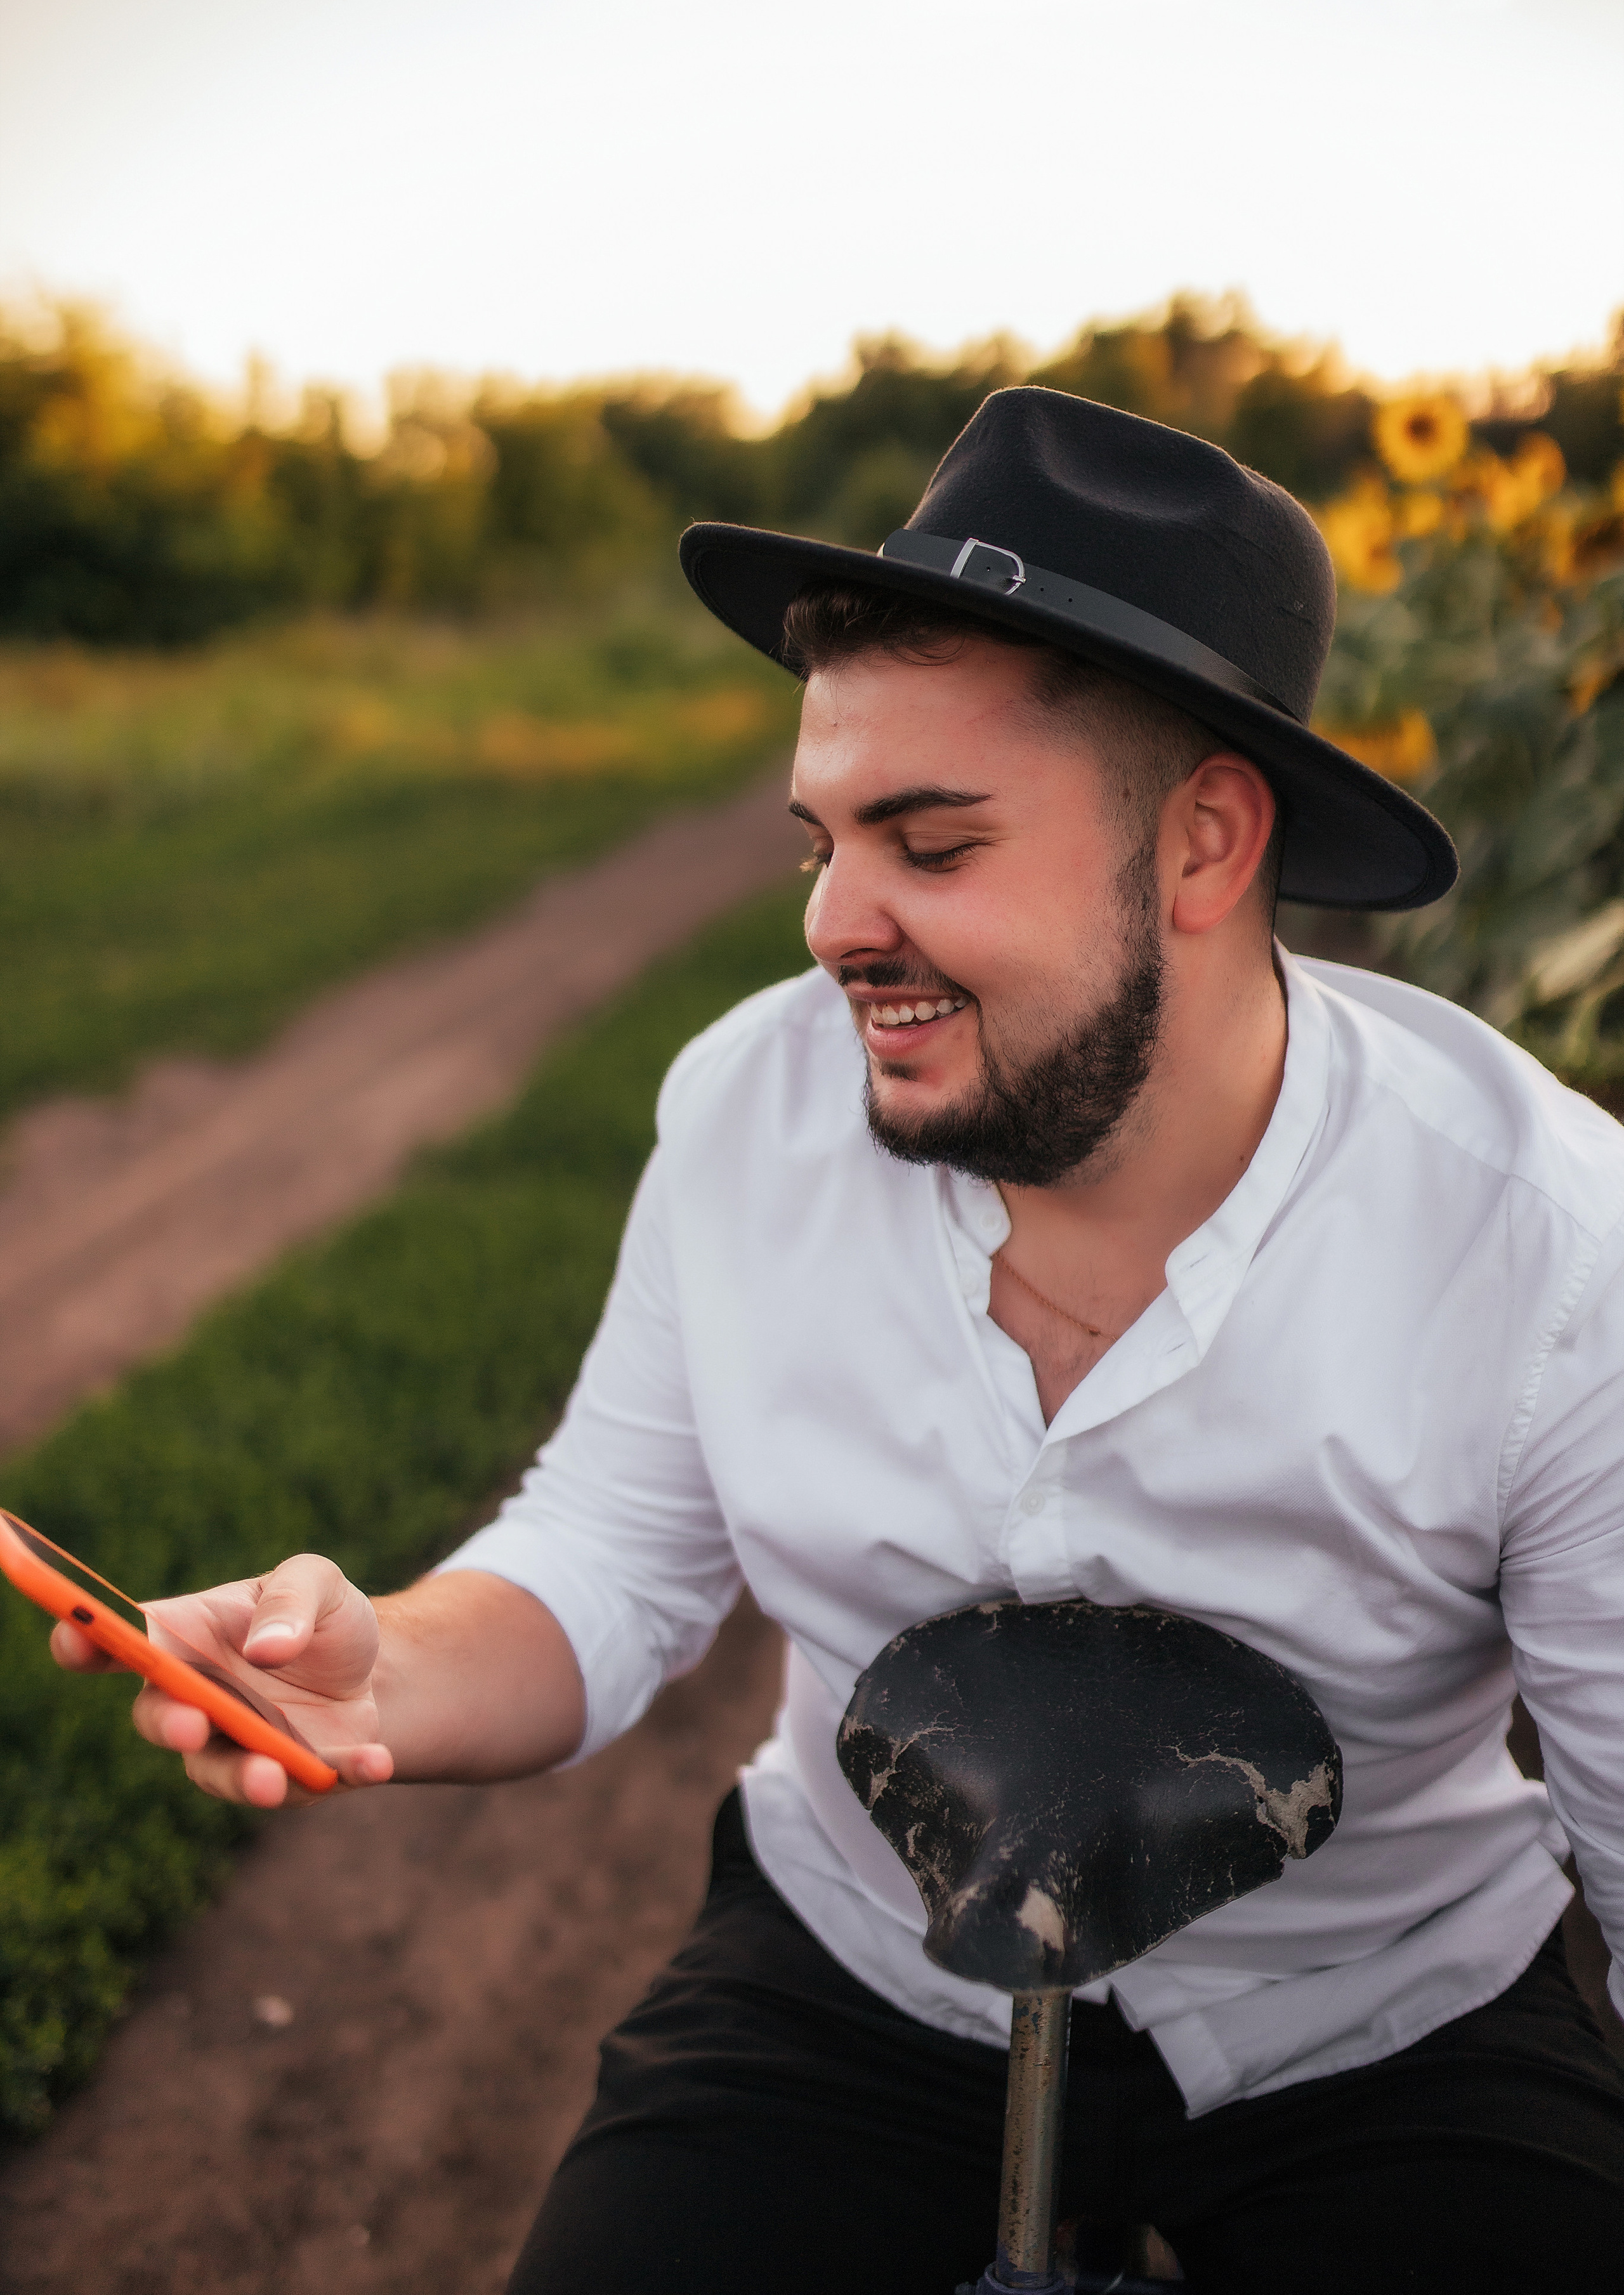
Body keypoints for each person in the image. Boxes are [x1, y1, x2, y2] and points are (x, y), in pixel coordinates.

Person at [56, 390, 1624, 2292]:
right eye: (821, 838)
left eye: (931, 846)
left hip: (1384, 2028)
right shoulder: (744, 1111)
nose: (829, 924)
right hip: (864, 1986)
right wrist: (378, 1668)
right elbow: (610, 1557)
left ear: (1207, 845)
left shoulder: (1550, 1248)